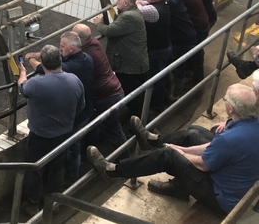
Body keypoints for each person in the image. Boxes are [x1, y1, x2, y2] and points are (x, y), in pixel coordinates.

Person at [87, 84, 259, 214]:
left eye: (225, 100)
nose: (224, 101)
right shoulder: (251, 122)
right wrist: (183, 149)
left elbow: (203, 165)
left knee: (169, 156)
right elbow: (211, 146)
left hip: (223, 198)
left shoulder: (229, 139)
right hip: (237, 183)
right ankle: (154, 141)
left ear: (230, 108)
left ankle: (113, 171)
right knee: (194, 134)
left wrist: (180, 153)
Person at [17, 45, 84, 213]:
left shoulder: (36, 83)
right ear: (60, 60)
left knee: (34, 169)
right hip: (63, 134)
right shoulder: (74, 80)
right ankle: (53, 202)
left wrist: (23, 74)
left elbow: (22, 88)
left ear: (43, 64)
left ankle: (32, 204)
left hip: (40, 135)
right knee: (57, 167)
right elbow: (80, 106)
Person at [25, 32, 93, 181]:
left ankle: (71, 178)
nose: (60, 49)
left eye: (62, 47)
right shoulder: (87, 59)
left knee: (70, 150)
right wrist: (39, 54)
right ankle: (58, 188)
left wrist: (31, 59)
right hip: (75, 115)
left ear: (71, 48)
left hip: (60, 125)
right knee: (59, 160)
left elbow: (41, 70)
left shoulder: (70, 69)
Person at [92, 0, 149, 116]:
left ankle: (140, 121)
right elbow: (119, 23)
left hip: (130, 66)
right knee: (136, 94)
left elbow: (109, 31)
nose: (116, 2)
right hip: (135, 62)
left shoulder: (128, 17)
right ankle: (138, 117)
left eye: (118, 0)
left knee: (132, 95)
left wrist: (99, 24)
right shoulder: (134, 12)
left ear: (125, 3)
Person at [73, 24, 127, 151]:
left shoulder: (86, 55)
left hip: (105, 97)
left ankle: (125, 159)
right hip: (112, 90)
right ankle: (90, 151)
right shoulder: (94, 43)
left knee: (113, 129)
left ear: (79, 40)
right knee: (93, 123)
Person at [137, 0, 173, 111]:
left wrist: (135, 3)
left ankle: (156, 107)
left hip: (156, 51)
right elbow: (142, 2)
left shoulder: (152, 10)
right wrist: (141, 2)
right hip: (164, 47)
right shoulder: (165, 3)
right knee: (159, 77)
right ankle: (162, 101)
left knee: (155, 80)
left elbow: (135, 10)